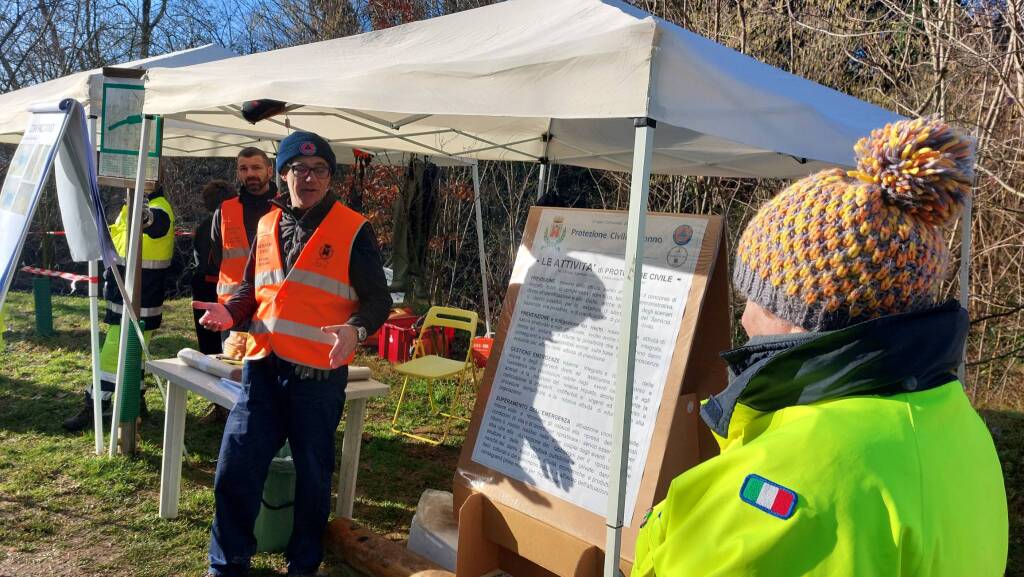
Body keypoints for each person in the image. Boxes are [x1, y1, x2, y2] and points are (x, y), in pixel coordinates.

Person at [631, 117, 1008, 576]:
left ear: (813, 319)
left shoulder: (791, 477)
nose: (745, 317)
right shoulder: (958, 424)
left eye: (761, 300)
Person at [194, 131, 391, 577]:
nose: (309, 177)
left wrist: (356, 329)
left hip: (317, 380)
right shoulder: (266, 224)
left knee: (312, 477)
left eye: (319, 169)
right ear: (282, 176)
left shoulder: (353, 228)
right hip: (263, 371)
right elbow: (253, 288)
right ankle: (227, 564)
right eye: (299, 169)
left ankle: (303, 565)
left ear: (330, 177)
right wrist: (231, 310)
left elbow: (377, 301)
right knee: (235, 471)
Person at [63, 185, 175, 432]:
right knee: (132, 356)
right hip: (123, 297)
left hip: (141, 302)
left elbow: (157, 224)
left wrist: (144, 214)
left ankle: (96, 406)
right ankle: (135, 403)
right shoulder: (129, 207)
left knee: (111, 357)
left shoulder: (156, 208)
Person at [209, 147, 278, 313]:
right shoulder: (224, 210)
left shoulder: (284, 210)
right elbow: (217, 257)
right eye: (244, 169)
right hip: (231, 308)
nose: (250, 174)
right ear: (238, 174)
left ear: (269, 171)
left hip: (271, 306)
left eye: (256, 168)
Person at [192, 179, 236, 355]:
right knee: (224, 342)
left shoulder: (203, 225)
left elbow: (198, 255)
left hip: (203, 284)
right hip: (220, 285)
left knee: (207, 341)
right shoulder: (230, 222)